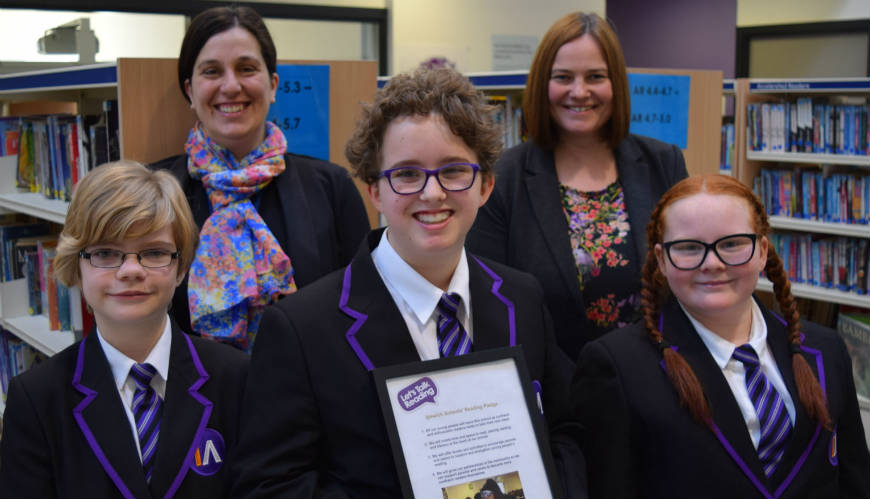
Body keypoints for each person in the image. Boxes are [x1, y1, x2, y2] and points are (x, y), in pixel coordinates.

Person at [231, 68, 585, 497]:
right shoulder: (301, 328)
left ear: (486, 185)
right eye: (407, 174)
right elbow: (271, 485)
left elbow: (566, 434)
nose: (432, 193)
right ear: (375, 192)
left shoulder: (522, 297)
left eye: (454, 171)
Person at [572, 174, 870, 498]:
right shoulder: (617, 367)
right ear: (661, 260)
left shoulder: (825, 348)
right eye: (689, 247)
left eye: (731, 244)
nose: (712, 263)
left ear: (761, 251)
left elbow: (854, 480)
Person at [0, 161, 249, 498]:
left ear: (181, 268)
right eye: (105, 253)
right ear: (77, 267)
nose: (131, 270)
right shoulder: (36, 399)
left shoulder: (236, 378)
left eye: (155, 252)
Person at [466, 12, 688, 361]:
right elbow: (490, 301)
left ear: (615, 83)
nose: (579, 92)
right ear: (543, 84)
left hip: (654, 378)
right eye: (563, 77)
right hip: (553, 389)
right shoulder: (505, 176)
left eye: (596, 77)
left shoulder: (664, 163)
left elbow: (688, 274)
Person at [151, 5, 370, 351]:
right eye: (212, 71)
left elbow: (361, 307)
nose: (231, 85)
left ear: (272, 85)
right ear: (190, 91)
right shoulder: (151, 192)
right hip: (194, 396)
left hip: (308, 395)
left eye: (246, 68)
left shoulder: (332, 188)